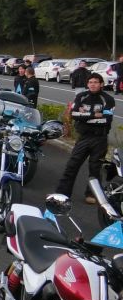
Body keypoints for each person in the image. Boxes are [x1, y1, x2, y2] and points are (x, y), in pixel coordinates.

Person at [56, 73, 115, 204]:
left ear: (101, 84)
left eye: (96, 82)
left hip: (100, 139)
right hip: (83, 137)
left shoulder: (108, 99)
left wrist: (84, 116)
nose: (93, 84)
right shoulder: (81, 96)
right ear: (87, 84)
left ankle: (92, 194)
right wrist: (94, 115)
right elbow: (74, 114)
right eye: (90, 82)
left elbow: (106, 120)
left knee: (95, 169)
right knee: (72, 165)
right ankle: (62, 193)